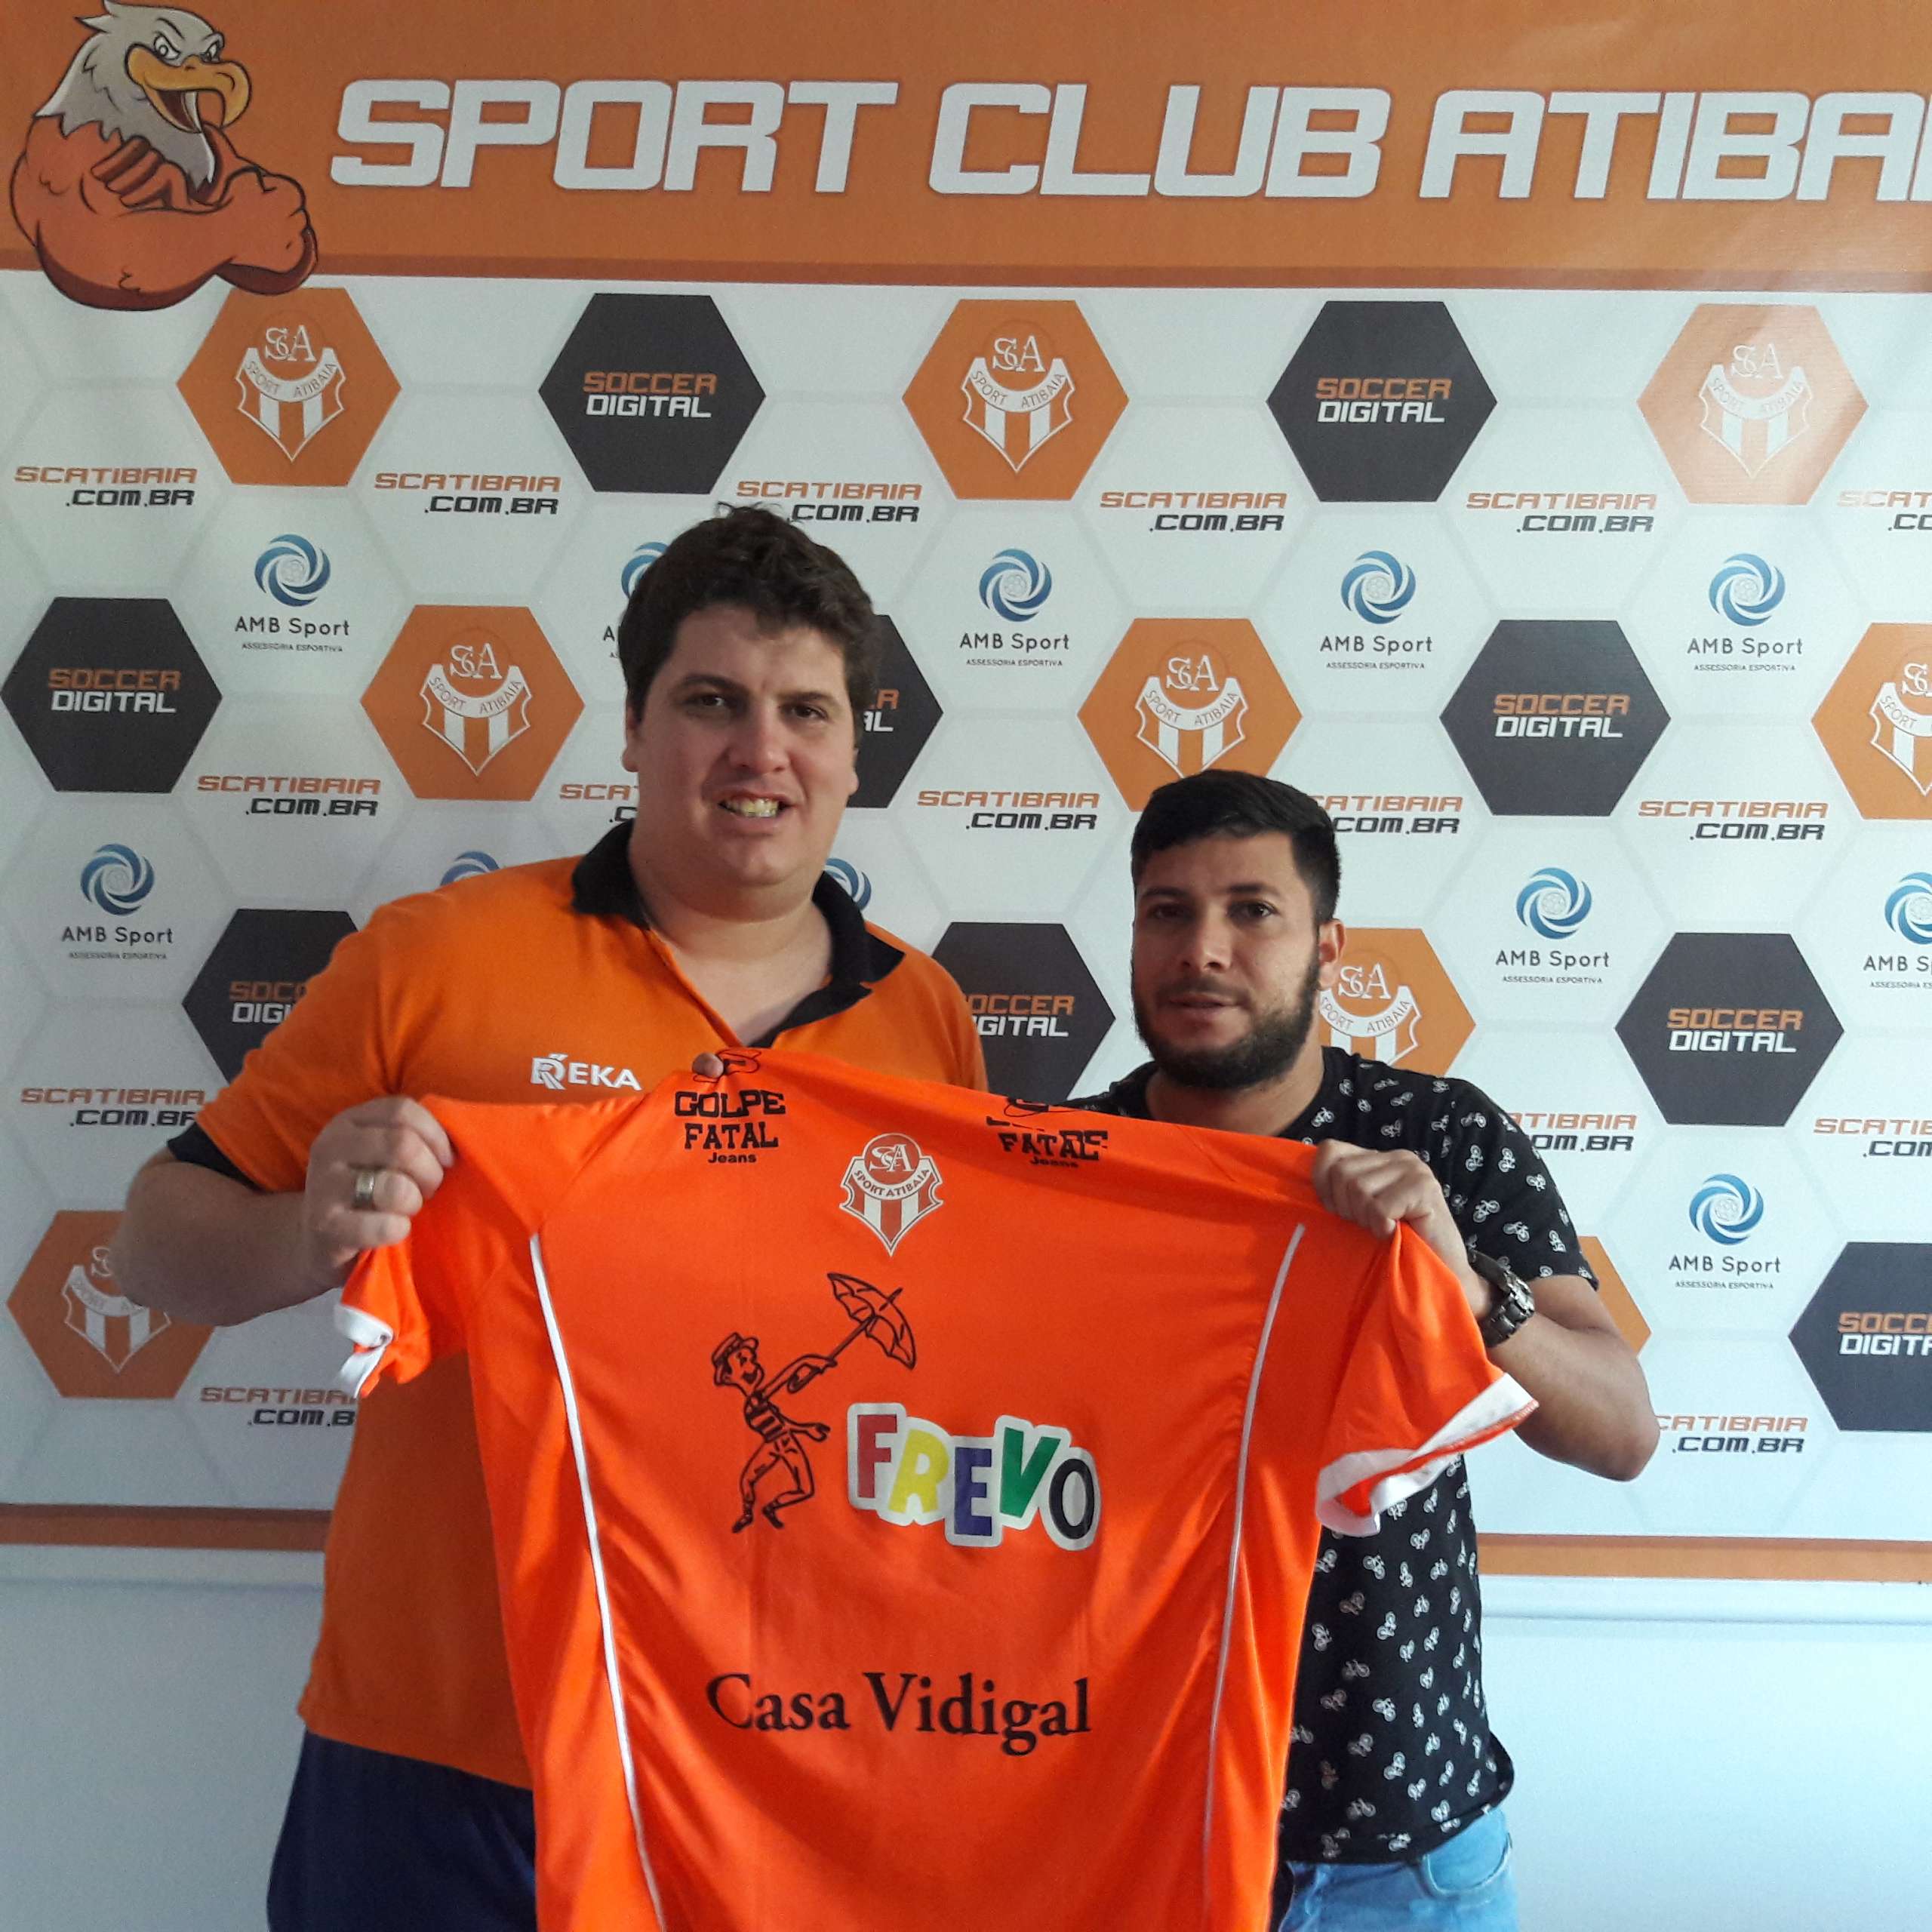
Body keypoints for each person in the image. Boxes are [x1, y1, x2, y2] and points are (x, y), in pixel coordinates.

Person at [109, 506, 986, 1932]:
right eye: (712, 702)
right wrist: (310, 1233)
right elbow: (152, 1242)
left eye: (805, 712)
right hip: (446, 1751)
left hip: (779, 1751)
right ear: (634, 729)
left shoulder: (926, 1018)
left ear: (852, 749)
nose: (761, 751)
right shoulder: (436, 961)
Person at [1072, 770, 1657, 1932]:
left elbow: (1622, 1433)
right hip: (1136, 1829)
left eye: (1253, 910)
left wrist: (1465, 1287)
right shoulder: (1067, 1163)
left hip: (1403, 1855)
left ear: (1327, 946)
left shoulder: (1440, 1136)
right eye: (1167, 912)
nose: (1204, 949)